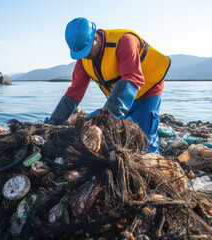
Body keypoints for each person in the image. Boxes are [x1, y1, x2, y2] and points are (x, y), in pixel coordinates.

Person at [45, 17, 171, 153]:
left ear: (95, 39)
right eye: (80, 53)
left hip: (147, 92)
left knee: (145, 143)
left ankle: (153, 159)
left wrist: (107, 119)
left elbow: (132, 77)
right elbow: (74, 92)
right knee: (83, 130)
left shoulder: (124, 41)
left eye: (86, 51)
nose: (84, 56)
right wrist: (53, 122)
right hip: (120, 97)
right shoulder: (83, 59)